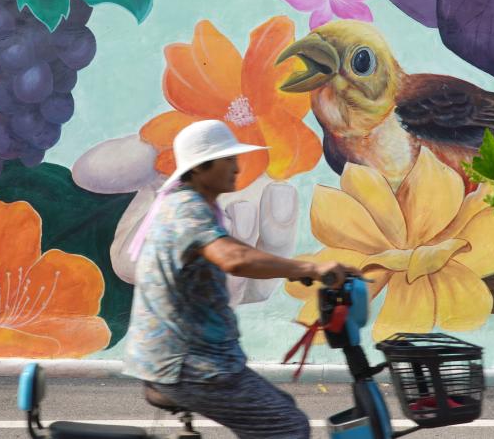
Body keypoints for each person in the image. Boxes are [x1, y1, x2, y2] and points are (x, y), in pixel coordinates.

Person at [123, 119, 358, 439]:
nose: (237, 167)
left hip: (186, 360)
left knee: (280, 407)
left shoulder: (187, 206)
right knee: (287, 427)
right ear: (202, 167)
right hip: (192, 364)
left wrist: (291, 268)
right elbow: (233, 258)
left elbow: (234, 252)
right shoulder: (186, 209)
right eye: (228, 159)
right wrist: (309, 269)